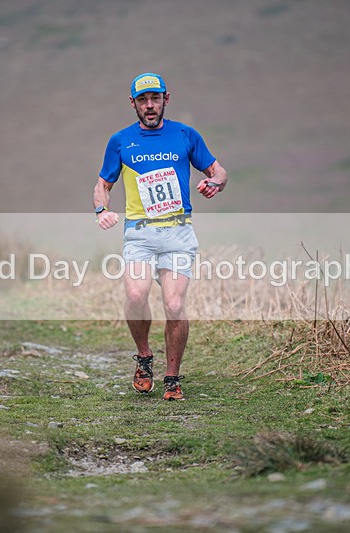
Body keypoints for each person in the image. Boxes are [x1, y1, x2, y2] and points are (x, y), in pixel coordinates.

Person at [93, 72, 227, 401]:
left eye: (155, 98)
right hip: (139, 235)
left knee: (174, 303)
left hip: (178, 233)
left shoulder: (186, 135)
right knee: (136, 295)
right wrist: (102, 210)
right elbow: (102, 186)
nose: (149, 105)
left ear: (167, 98)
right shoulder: (120, 141)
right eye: (143, 100)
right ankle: (144, 358)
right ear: (133, 104)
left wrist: (216, 183)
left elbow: (218, 171)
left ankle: (172, 377)